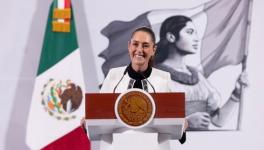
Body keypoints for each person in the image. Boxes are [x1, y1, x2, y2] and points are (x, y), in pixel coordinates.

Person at [82, 27, 188, 149]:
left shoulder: (163, 78)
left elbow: (174, 119)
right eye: (135, 44)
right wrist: (88, 122)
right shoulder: (113, 77)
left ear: (153, 50)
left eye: (145, 45)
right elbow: (100, 115)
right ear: (129, 46)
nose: (139, 50)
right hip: (117, 146)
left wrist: (182, 125)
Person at [155, 15, 247, 130]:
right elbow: (148, 124)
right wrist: (186, 122)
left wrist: (236, 94)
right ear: (171, 37)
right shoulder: (156, 76)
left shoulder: (197, 76)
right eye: (189, 32)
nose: (196, 38)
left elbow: (218, 120)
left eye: (195, 33)